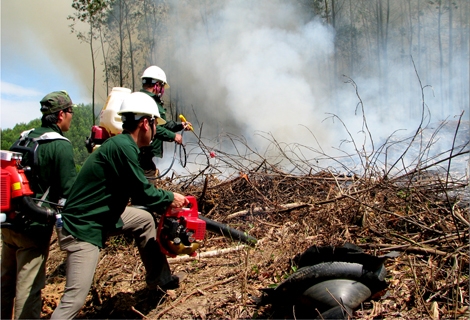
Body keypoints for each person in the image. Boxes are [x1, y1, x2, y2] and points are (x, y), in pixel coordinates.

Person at [51, 92, 189, 319]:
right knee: (74, 301)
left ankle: (162, 281)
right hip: (83, 227)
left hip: (103, 216)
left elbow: (141, 191)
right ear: (146, 123)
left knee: (144, 220)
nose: (155, 130)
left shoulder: (125, 145)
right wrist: (170, 198)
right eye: (155, 124)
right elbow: (143, 193)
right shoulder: (123, 147)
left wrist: (165, 199)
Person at [1, 91, 77, 319]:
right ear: (61, 114)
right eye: (71, 112)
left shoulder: (24, 138)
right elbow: (69, 191)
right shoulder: (60, 146)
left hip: (9, 224)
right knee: (28, 289)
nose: (72, 117)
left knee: (5, 283)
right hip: (33, 230)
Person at [138, 65, 192, 178]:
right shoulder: (147, 101)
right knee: (148, 178)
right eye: (162, 86)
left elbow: (161, 124)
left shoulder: (145, 99)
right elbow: (151, 127)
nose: (163, 90)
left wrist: (180, 125)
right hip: (141, 153)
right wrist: (173, 136)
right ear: (157, 85)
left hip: (143, 153)